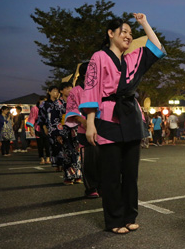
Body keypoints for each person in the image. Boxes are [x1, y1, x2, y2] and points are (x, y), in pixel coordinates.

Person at [80, 13, 165, 234]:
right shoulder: (99, 57)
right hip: (107, 117)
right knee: (110, 175)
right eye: (123, 31)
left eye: (130, 33)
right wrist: (91, 123)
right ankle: (114, 220)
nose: (128, 36)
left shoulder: (133, 58)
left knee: (130, 174)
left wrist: (144, 23)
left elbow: (158, 49)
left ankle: (130, 216)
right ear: (111, 33)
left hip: (131, 117)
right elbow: (91, 89)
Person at [65, 62, 100, 198]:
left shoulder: (101, 87)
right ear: (86, 73)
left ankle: (103, 185)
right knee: (89, 160)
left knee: (104, 159)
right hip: (85, 131)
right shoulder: (76, 91)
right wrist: (86, 123)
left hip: (104, 129)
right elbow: (73, 112)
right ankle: (91, 188)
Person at [26, 96, 51, 164]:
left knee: (47, 144)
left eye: (45, 101)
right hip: (38, 128)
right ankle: (42, 158)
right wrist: (31, 129)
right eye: (42, 101)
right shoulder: (35, 108)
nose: (43, 102)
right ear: (39, 101)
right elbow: (32, 118)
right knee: (40, 144)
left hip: (47, 128)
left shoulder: (48, 108)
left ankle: (48, 158)